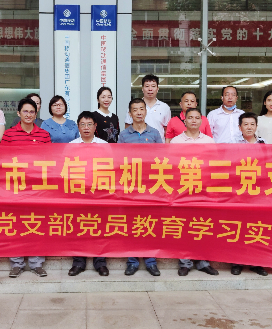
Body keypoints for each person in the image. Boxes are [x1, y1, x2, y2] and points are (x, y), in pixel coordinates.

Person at [2, 97, 51, 277]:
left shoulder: (44, 135)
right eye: (25, 111)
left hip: (38, 187)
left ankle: (37, 263)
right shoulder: (9, 134)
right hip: (15, 187)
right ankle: (17, 263)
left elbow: (50, 159)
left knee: (37, 224)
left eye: (32, 112)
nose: (28, 115)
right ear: (18, 113)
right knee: (15, 225)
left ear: (36, 114)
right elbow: (2, 160)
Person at [168, 108, 219, 276]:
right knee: (184, 225)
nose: (194, 121)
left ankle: (203, 261)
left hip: (203, 189)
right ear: (185, 121)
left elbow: (213, 165)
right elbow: (171, 166)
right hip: (183, 189)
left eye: (197, 118)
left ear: (202, 121)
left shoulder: (209, 141)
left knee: (203, 224)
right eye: (190, 118)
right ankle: (185, 262)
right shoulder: (176, 141)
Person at [119, 98, 162, 276]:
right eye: (135, 110)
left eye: (141, 109)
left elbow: (162, 159)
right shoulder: (123, 135)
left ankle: (151, 261)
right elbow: (119, 160)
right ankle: (132, 261)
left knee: (150, 223)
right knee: (132, 224)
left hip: (150, 186)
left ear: (145, 111)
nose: (138, 112)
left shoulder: (154, 133)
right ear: (130, 113)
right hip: (130, 186)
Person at [68, 112, 109, 277]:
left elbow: (111, 168)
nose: (86, 128)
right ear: (78, 126)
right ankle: (79, 262)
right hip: (78, 193)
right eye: (83, 124)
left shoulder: (104, 145)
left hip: (99, 193)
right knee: (79, 227)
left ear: (95, 126)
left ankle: (100, 262)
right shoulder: (71, 146)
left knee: (100, 227)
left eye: (89, 124)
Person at [230, 112, 269, 277]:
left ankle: (256, 262)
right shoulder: (232, 143)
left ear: (256, 126)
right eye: (245, 124)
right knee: (238, 226)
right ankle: (236, 262)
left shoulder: (263, 143)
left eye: (252, 124)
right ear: (240, 127)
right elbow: (229, 165)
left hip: (258, 192)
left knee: (257, 226)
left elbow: (268, 165)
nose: (249, 127)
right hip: (239, 190)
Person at [124, 74, 171, 140]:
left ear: (157, 89)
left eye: (153, 86)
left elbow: (167, 131)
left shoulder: (165, 107)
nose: (150, 89)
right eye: (147, 86)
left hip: (158, 144)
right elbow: (127, 128)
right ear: (142, 89)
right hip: (137, 144)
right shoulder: (134, 106)